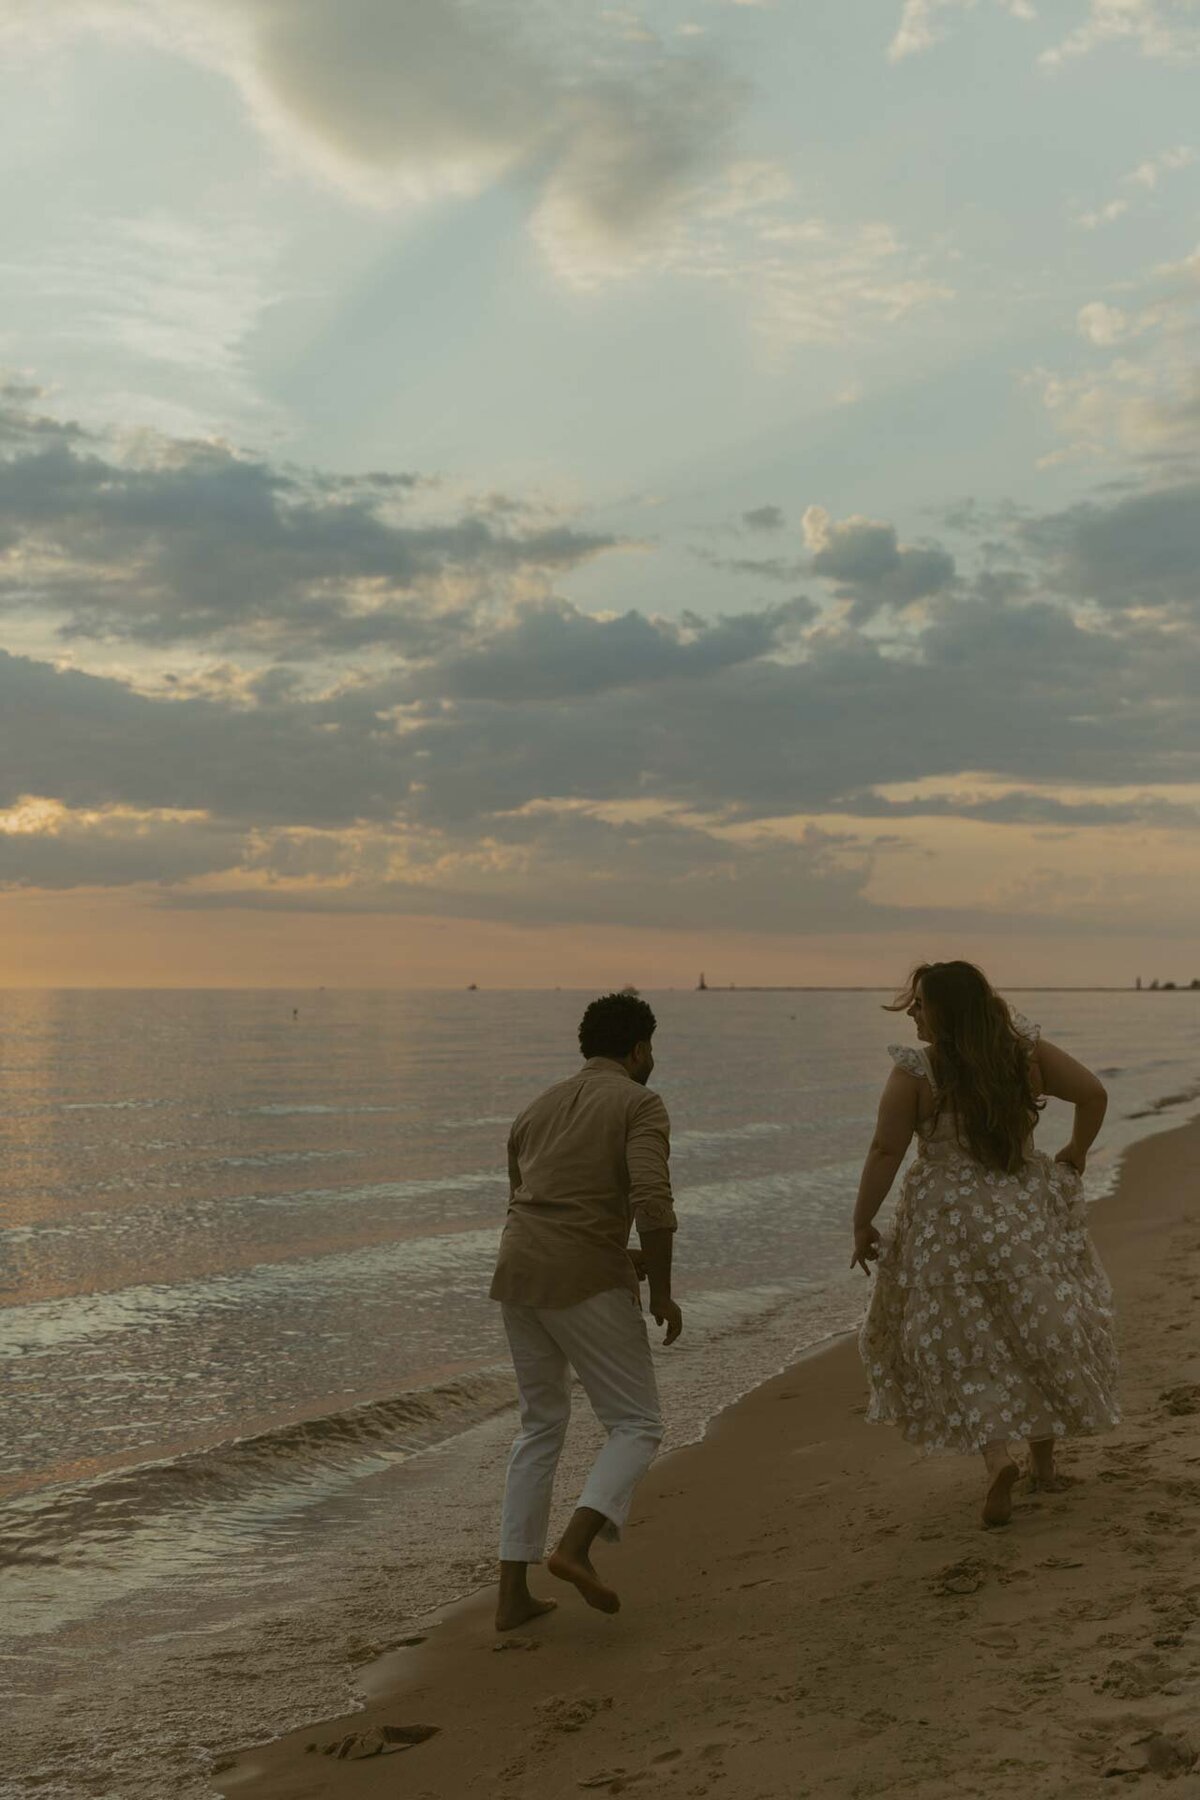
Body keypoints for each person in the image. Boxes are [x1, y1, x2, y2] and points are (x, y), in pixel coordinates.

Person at [854, 961, 1119, 1528]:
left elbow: (884, 1152)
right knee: (1034, 1327)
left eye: (921, 1003)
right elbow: (1094, 1093)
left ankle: (998, 1458)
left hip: (947, 1220)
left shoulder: (918, 1071)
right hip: (1023, 1208)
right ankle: (1044, 1467)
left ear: (945, 1010)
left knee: (963, 1340)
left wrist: (862, 1221)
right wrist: (1076, 1150)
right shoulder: (1023, 1054)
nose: (913, 1012)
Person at [489, 992, 683, 1631]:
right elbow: (652, 1199)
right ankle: (574, 1548)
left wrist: (618, 1253)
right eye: (650, 1049)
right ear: (639, 1050)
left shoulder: (535, 1107)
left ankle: (511, 1597)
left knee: (540, 1425)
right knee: (636, 1423)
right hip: (580, 1275)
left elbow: (533, 1200)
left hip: (518, 1270)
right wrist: (661, 1289)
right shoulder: (639, 1102)